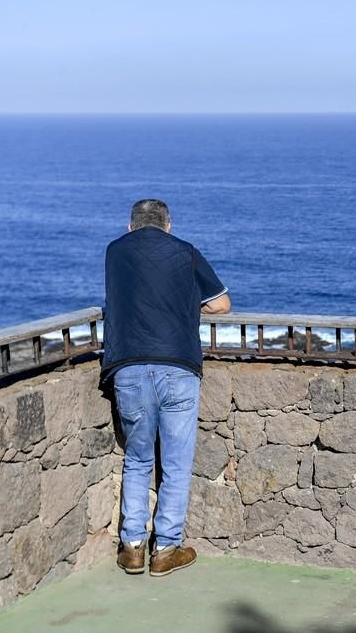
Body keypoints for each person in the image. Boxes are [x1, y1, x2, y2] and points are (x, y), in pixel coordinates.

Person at [101, 199, 231, 576]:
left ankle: (132, 546)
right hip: (177, 366)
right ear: (169, 227)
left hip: (127, 368)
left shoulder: (114, 252)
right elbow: (222, 304)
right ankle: (166, 549)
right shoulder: (185, 252)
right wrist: (188, 302)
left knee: (137, 458)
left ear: (130, 227)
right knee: (175, 463)